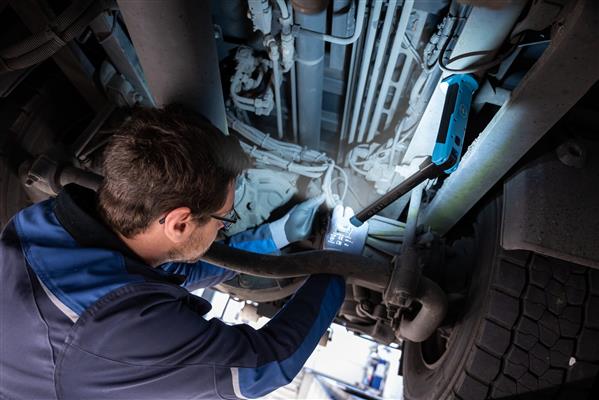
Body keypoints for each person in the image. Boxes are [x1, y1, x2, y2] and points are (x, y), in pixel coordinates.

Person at [0, 106, 357, 399]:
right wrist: (336, 265)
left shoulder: (44, 221)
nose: (223, 226)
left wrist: (276, 235)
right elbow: (265, 367)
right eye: (225, 217)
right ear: (179, 223)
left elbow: (160, 276)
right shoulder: (115, 328)